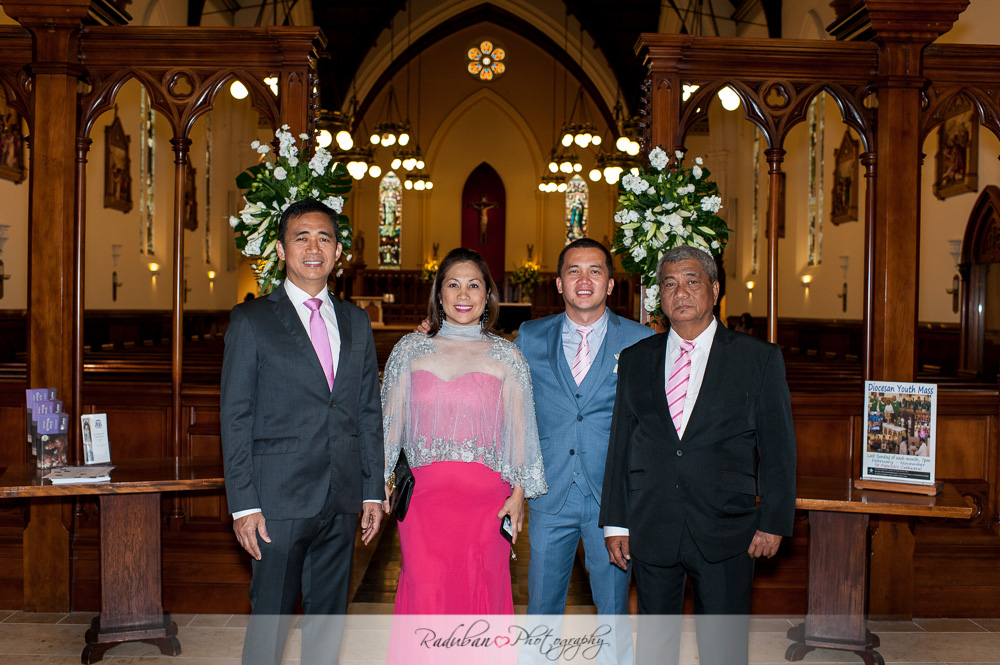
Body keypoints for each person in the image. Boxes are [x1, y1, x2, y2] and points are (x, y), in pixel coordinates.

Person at [600, 245, 797, 665]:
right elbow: (621, 444)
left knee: (723, 651)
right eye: (670, 284)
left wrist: (774, 521)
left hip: (727, 527)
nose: (681, 292)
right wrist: (616, 522)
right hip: (653, 523)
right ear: (660, 295)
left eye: (692, 281)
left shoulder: (757, 358)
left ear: (715, 289)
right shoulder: (636, 360)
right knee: (654, 650)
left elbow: (778, 448)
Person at [221, 198, 384, 665]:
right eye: (302, 238)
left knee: (328, 624)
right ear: (281, 249)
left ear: (338, 251)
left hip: (341, 495)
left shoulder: (355, 320)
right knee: (270, 625)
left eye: (324, 238)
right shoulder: (252, 320)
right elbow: (235, 416)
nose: (314, 248)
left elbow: (367, 411)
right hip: (277, 500)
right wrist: (244, 504)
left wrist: (371, 490)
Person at [382, 247, 546, 623]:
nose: (463, 294)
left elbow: (520, 433)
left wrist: (518, 496)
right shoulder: (409, 350)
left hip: (487, 504)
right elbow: (389, 427)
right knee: (426, 593)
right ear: (439, 294)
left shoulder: (508, 356)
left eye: (473, 285)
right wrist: (379, 485)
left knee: (481, 592)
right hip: (423, 503)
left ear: (487, 295)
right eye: (453, 284)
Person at [514, 238, 652, 663]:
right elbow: (509, 399)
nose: (584, 279)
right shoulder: (530, 335)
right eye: (574, 270)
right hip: (550, 492)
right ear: (559, 283)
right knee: (541, 607)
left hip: (611, 499)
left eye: (595, 270)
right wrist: (432, 334)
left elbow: (650, 425)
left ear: (610, 284)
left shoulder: (640, 339)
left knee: (612, 608)